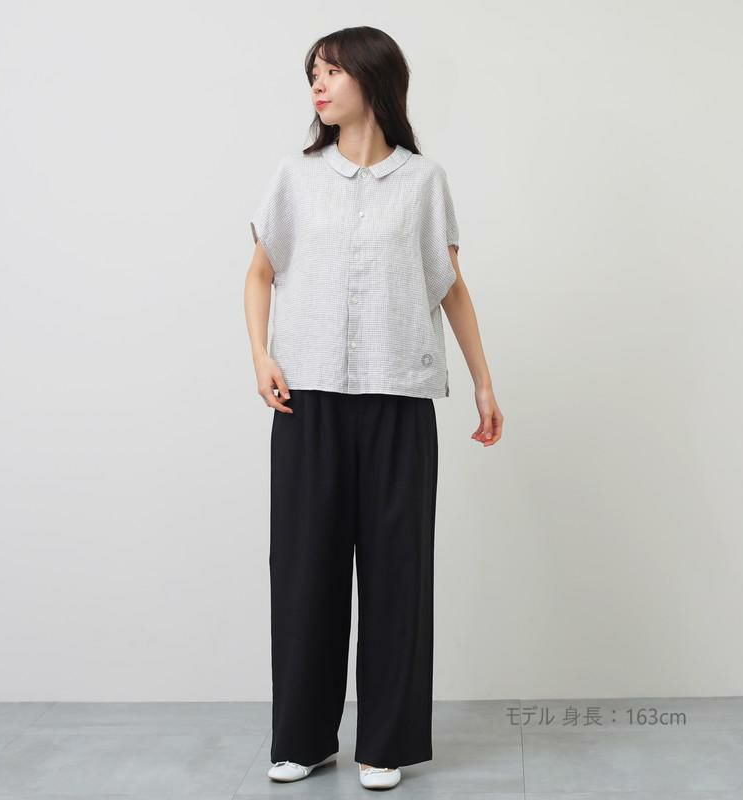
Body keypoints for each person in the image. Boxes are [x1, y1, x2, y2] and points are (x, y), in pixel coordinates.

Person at [243, 26, 503, 791]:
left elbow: (449, 286)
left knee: (397, 574)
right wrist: (260, 356)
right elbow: (259, 274)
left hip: (399, 396)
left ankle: (384, 742)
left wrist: (484, 382)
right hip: (308, 400)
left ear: (372, 79)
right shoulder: (295, 178)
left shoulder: (423, 182)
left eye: (331, 72)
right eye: (313, 74)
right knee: (305, 571)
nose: (318, 86)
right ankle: (302, 738)